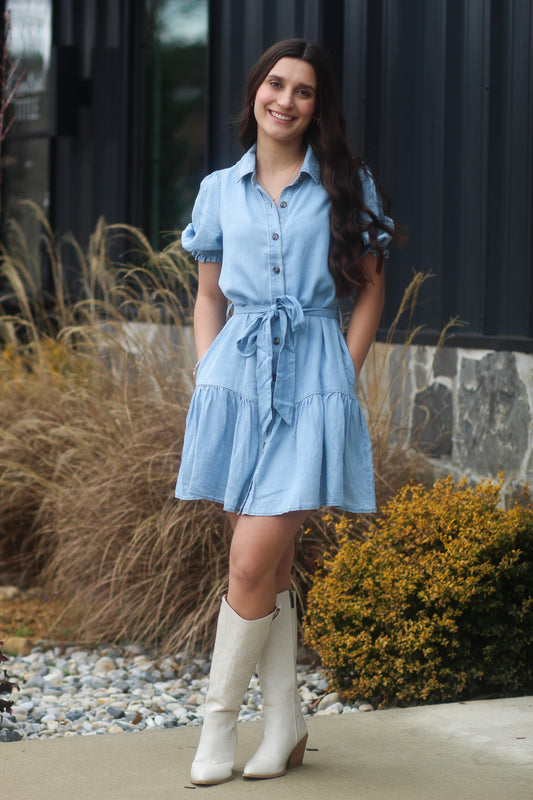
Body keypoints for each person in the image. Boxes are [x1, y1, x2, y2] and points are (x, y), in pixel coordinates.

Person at [175, 38, 396, 785]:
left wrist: (344, 369)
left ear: (316, 107)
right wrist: (209, 375)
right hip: (234, 380)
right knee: (261, 566)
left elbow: (369, 286)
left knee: (247, 561)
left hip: (311, 381)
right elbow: (207, 295)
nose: (286, 100)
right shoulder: (217, 189)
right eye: (276, 84)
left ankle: (213, 729)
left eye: (303, 91)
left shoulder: (345, 184)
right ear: (255, 92)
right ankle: (285, 724)